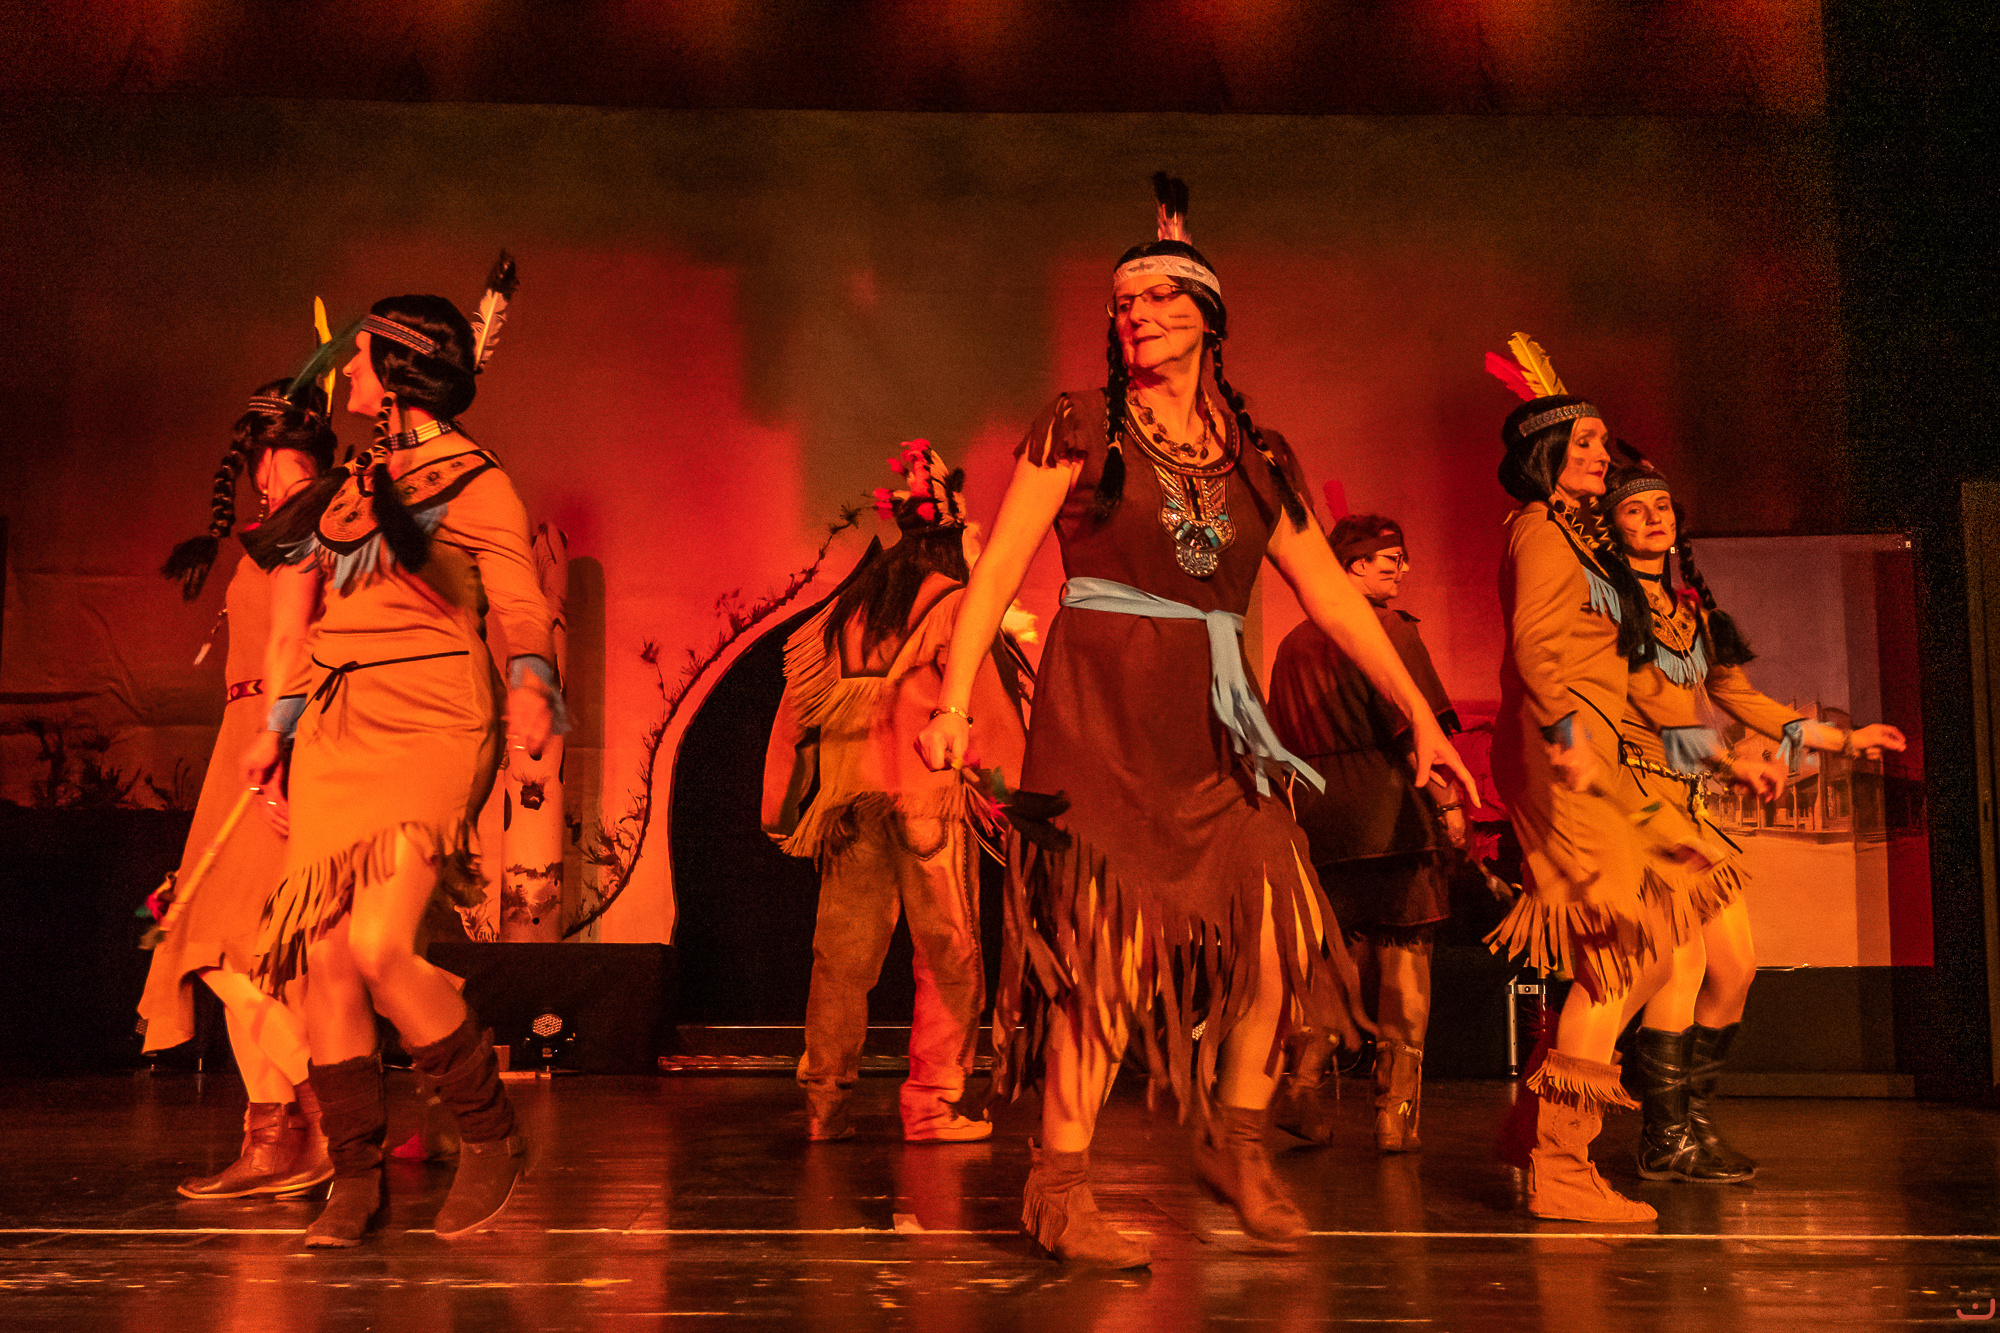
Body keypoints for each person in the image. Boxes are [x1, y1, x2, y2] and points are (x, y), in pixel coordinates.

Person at [916, 176, 1476, 1267]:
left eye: (1163, 298)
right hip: (1103, 717)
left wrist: (1422, 715)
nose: (1138, 315)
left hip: (1218, 726)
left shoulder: (1256, 456)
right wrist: (950, 697)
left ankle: (1237, 1139)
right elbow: (998, 572)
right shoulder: (1079, 426)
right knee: (1112, 964)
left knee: (1281, 928)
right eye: (1125, 303)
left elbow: (1329, 595)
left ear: (1210, 319)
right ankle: (1058, 1189)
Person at [242, 264, 564, 1248]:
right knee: (322, 958)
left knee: (381, 945)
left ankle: (490, 1134)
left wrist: (533, 689)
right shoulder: (355, 485)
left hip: (432, 719)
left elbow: (519, 606)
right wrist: (275, 729)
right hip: (338, 722)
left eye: (359, 358)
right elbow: (320, 622)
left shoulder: (478, 482)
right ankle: (354, 1175)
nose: (345, 373)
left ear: (393, 370)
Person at [1481, 334, 1741, 1223]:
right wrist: (1564, 734)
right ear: (1547, 456)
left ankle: (1536, 1125)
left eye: (1601, 441)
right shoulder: (1538, 531)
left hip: (1600, 752)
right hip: (1560, 753)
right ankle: (1561, 1166)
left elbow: (1635, 676)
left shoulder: (1577, 536)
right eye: (1585, 443)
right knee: (1622, 956)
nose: (1601, 453)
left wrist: (1712, 753)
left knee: (1658, 947)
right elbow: (1534, 645)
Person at [1602, 462, 1906, 1182]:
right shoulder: (1607, 611)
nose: (1654, 517)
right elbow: (1641, 713)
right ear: (1610, 529)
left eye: (1662, 506)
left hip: (1688, 799)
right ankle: (1665, 1134)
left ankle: (1689, 1120)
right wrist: (1726, 759)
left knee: (1735, 969)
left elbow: (1744, 699)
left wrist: (1842, 739)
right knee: (1679, 970)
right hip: (1638, 799)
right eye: (1635, 510)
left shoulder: (1693, 613)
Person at [762, 441, 1029, 1145]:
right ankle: (932, 1105)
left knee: (841, 960)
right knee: (948, 956)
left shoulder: (844, 616)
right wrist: (1011, 799)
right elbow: (983, 713)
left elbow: (796, 718)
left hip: (850, 807)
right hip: (927, 803)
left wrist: (779, 809)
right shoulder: (954, 608)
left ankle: (824, 1105)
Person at [139, 380, 338, 1200]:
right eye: (264, 479)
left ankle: (325, 1111)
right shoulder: (274, 537)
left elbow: (307, 649)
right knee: (225, 946)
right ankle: (274, 1136)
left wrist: (282, 753)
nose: (273, 489)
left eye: (289, 476)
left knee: (225, 943)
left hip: (281, 741)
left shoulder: (324, 532)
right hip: (239, 743)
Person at [1266, 513, 1466, 1153]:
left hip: (1319, 823)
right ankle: (1393, 1116)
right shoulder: (1390, 630)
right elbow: (1414, 729)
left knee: (1334, 959)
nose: (1402, 570)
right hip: (1391, 815)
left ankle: (1300, 1086)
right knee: (1404, 960)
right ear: (1353, 565)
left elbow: (1276, 742)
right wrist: (1448, 805)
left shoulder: (1292, 643)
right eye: (1389, 559)